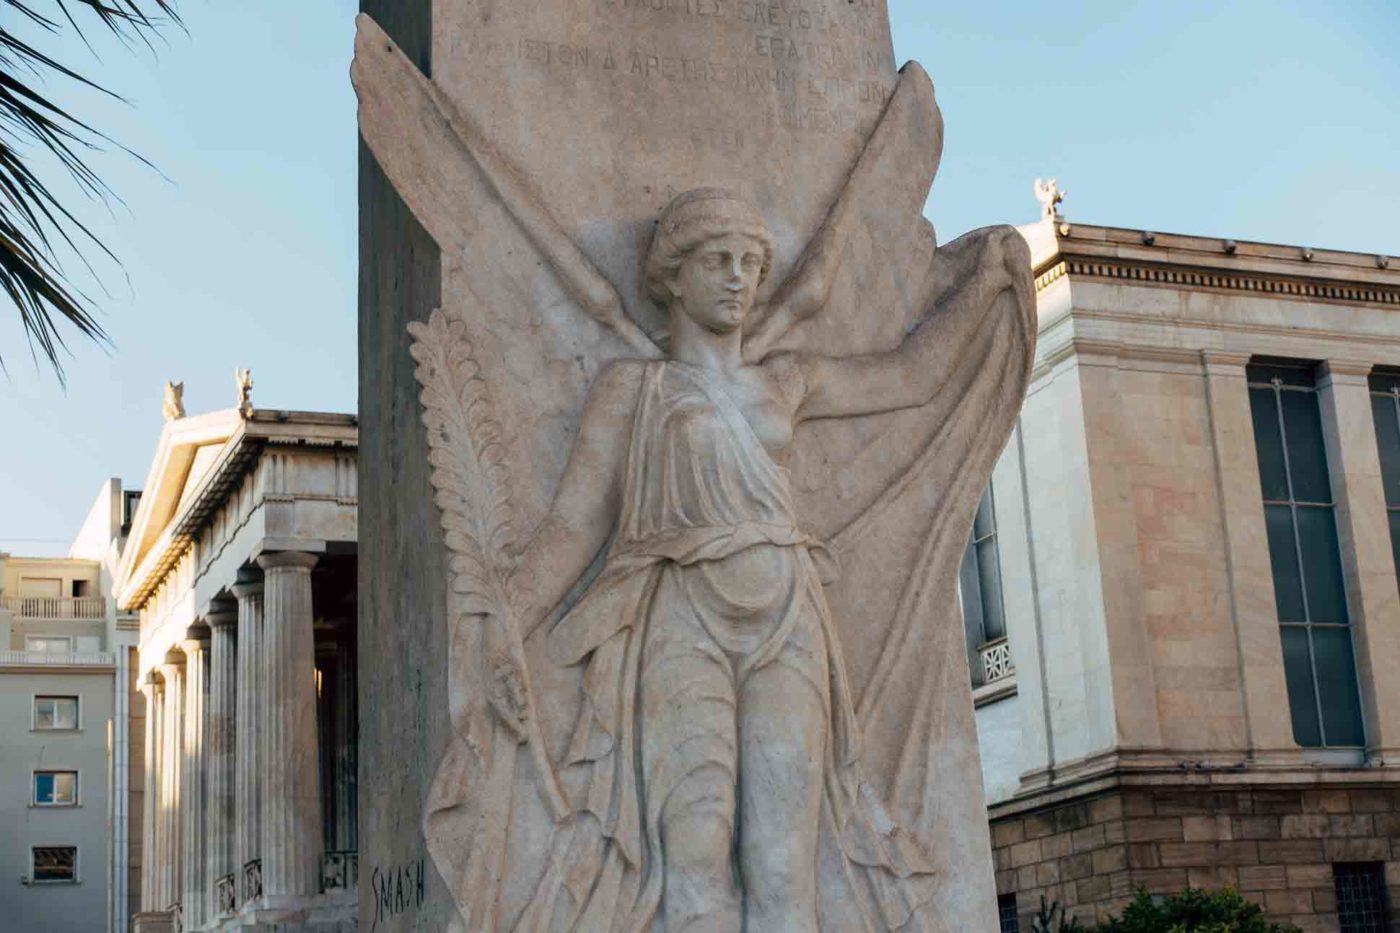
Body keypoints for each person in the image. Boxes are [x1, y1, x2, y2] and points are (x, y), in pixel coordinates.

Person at [508, 188, 1030, 932]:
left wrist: (984, 285)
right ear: (672, 276)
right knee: (693, 853)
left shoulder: (786, 380)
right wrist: (501, 618)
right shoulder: (633, 389)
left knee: (784, 862)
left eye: (750, 264)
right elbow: (572, 525)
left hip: (787, 618)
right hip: (681, 619)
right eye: (717, 261)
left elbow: (913, 377)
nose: (737, 279)